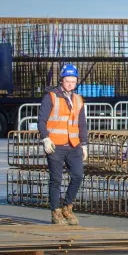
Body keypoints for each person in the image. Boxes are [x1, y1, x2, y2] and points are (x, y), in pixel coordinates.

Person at [39, 63, 87, 226]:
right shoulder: (51, 97)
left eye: (73, 82)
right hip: (55, 145)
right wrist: (45, 138)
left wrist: (84, 143)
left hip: (73, 145)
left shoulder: (78, 100)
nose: (70, 84)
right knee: (56, 179)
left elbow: (82, 124)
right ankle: (55, 211)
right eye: (68, 81)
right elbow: (42, 120)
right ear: (62, 80)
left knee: (78, 175)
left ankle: (68, 206)